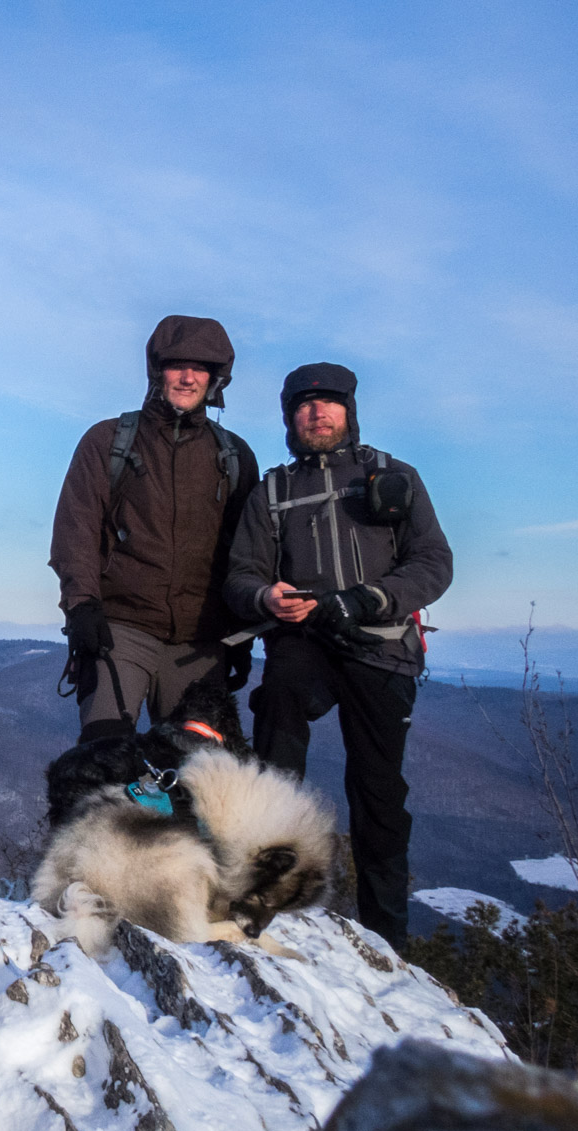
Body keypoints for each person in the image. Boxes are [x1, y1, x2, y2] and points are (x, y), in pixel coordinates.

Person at [224, 362, 453, 953]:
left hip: (381, 647)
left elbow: (432, 563)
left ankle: (387, 939)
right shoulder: (273, 492)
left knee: (378, 792)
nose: (317, 412)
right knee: (278, 721)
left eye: (329, 402)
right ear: (288, 417)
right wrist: (265, 595)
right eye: (304, 404)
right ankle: (262, 895)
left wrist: (368, 599)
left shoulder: (391, 477)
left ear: (350, 412)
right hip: (305, 643)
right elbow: (241, 575)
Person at [49, 315, 260, 741]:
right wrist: (82, 606)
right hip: (119, 626)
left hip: (202, 638)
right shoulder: (108, 441)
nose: (187, 376)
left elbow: (247, 551)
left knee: (199, 774)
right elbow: (77, 530)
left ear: (216, 378)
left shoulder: (234, 455)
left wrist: (241, 634)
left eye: (200, 367)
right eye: (176, 365)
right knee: (104, 757)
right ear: (156, 370)